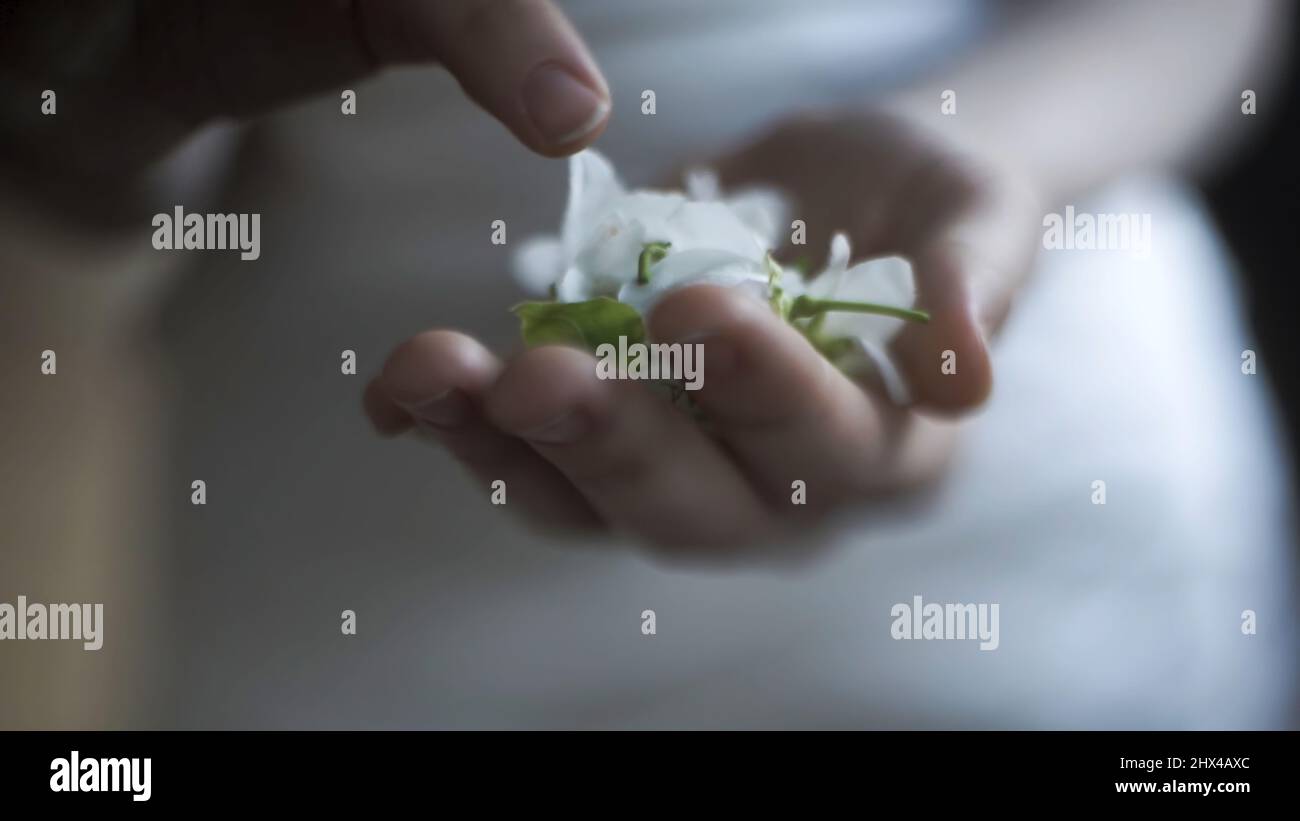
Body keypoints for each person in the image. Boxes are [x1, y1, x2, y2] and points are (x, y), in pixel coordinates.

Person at [1, 1, 1293, 728]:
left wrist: (987, 151)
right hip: (357, 595)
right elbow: (94, 165)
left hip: (1039, 565)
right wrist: (92, 105)